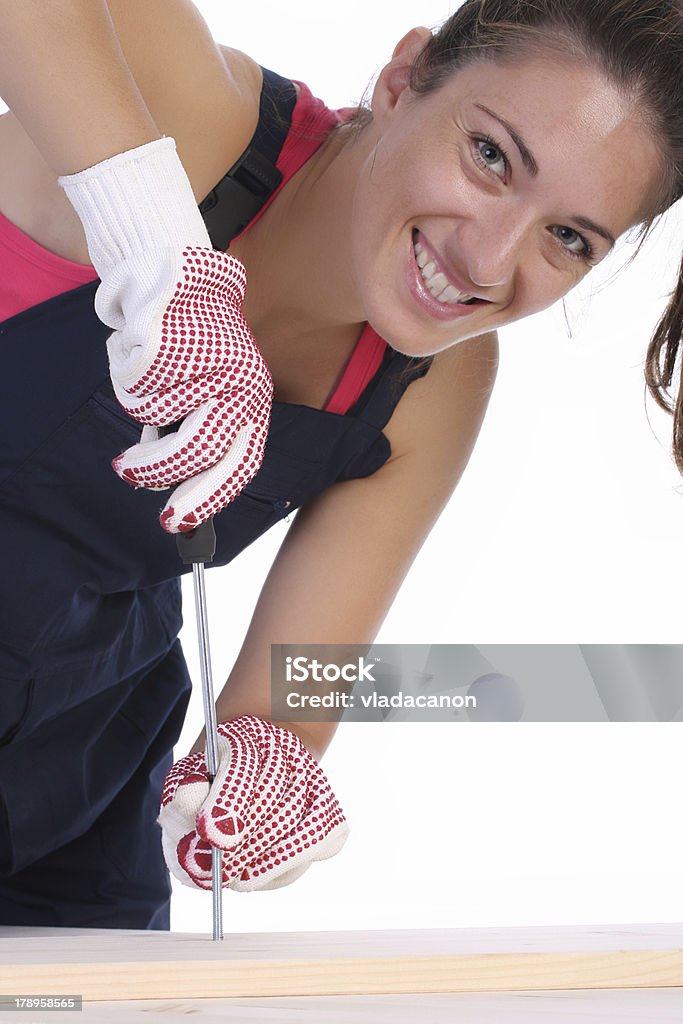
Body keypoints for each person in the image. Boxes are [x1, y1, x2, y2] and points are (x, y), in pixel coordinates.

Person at [0, 0, 681, 928]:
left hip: (65, 780)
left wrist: (266, 768)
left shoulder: (431, 383)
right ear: (402, 78)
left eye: (569, 237)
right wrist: (153, 242)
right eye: (489, 156)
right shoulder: (194, 120)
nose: (486, 258)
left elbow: (290, 689)